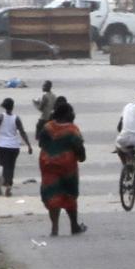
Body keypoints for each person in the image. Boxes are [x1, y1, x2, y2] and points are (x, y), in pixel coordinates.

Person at [38, 101, 87, 237]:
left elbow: (41, 143)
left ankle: (54, 228)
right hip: (67, 167)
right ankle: (74, 225)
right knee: (69, 194)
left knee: (53, 194)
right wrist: (82, 157)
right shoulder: (72, 130)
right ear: (66, 114)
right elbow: (79, 147)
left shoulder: (47, 127)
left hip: (47, 165)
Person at [0, 98, 32, 196]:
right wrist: (29, 145)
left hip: (1, 146)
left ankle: (5, 184)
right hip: (14, 147)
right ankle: (9, 185)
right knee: (11, 166)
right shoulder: (16, 118)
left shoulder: (0, 117)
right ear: (13, 106)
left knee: (3, 166)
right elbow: (22, 132)